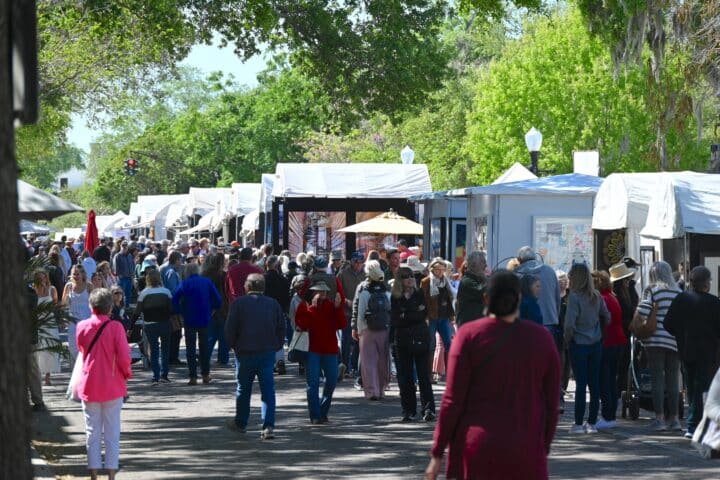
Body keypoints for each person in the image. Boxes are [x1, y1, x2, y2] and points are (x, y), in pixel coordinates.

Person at [425, 270, 560, 480]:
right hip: (526, 445)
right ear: (519, 298)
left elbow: (453, 400)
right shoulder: (542, 338)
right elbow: (552, 403)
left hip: (478, 445)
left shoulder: (468, 336)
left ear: (486, 298)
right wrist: (544, 445)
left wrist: (437, 451)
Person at [76, 288, 132, 480]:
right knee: (112, 431)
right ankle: (110, 473)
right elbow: (125, 357)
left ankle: (93, 472)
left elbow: (82, 350)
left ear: (91, 306)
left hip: (89, 384)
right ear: (109, 308)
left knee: (91, 431)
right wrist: (126, 374)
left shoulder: (81, 326)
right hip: (112, 384)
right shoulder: (116, 327)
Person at [224, 273, 285, 439]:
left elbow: (230, 329)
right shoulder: (273, 304)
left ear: (247, 287)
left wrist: (233, 346)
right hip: (266, 352)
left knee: (243, 389)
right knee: (268, 390)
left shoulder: (238, 304)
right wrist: (276, 345)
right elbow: (281, 327)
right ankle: (268, 426)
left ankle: (241, 422)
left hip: (244, 352)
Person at [665, 265, 720, 437]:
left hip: (686, 349)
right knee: (701, 388)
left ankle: (694, 423)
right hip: (708, 352)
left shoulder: (681, 299)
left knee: (691, 387)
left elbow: (668, 324)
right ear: (706, 283)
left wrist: (681, 335)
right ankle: (694, 425)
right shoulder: (714, 303)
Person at [635, 260, 682, 432]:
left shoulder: (652, 290)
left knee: (657, 378)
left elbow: (644, 312)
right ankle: (675, 419)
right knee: (673, 379)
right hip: (674, 340)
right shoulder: (678, 292)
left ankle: (659, 418)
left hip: (655, 340)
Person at [564, 263, 610, 434]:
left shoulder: (574, 298)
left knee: (581, 384)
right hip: (595, 342)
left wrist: (567, 340)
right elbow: (607, 316)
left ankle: (577, 422)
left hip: (579, 343)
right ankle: (591, 422)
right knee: (594, 384)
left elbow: (569, 324)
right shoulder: (596, 296)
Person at [295, 281, 346, 424]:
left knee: (331, 381)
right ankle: (315, 415)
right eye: (318, 291)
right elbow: (302, 324)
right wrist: (312, 308)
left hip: (330, 350)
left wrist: (337, 308)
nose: (322, 294)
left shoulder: (331, 306)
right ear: (312, 292)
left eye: (324, 291)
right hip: (312, 350)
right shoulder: (305, 306)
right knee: (312, 384)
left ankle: (323, 411)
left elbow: (342, 324)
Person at [391, 266, 435, 422]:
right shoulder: (395, 296)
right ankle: (408, 410)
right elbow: (397, 319)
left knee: (424, 376)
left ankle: (428, 409)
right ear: (400, 280)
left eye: (411, 276)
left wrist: (407, 313)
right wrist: (413, 311)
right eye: (405, 277)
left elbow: (423, 314)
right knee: (405, 377)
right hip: (402, 340)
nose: (410, 279)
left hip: (420, 338)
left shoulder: (419, 293)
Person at [172, 263, 222, 385]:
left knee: (190, 348)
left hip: (189, 317)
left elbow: (175, 299)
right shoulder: (207, 282)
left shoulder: (184, 283)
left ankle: (193, 376)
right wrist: (213, 308)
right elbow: (218, 299)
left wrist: (179, 311)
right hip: (205, 317)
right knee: (204, 346)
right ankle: (205, 374)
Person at [593, 270, 627, 430]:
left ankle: (607, 415)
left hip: (608, 341)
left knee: (604, 380)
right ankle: (610, 414)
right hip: (619, 341)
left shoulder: (602, 299)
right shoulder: (612, 297)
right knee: (611, 379)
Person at [353, 260, 391, 400]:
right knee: (383, 360)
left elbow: (360, 314)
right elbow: (390, 312)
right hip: (384, 330)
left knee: (368, 361)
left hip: (367, 330)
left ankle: (371, 391)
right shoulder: (386, 292)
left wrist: (358, 330)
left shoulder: (364, 291)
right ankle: (381, 389)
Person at [135, 270, 173, 385]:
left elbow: (137, 312)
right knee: (166, 350)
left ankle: (155, 376)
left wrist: (131, 326)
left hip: (150, 325)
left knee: (154, 350)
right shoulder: (166, 292)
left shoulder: (144, 293)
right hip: (165, 323)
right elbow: (171, 309)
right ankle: (164, 375)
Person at [421, 258, 455, 376]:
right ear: (432, 270)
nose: (440, 272)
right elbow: (423, 300)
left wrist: (451, 315)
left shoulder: (445, 281)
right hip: (431, 317)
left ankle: (449, 373)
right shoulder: (426, 282)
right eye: (438, 269)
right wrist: (424, 316)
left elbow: (450, 299)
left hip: (444, 316)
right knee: (431, 345)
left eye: (442, 269)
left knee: (448, 344)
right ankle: (428, 373)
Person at [337, 251, 366, 379]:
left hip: (362, 312)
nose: (359, 265)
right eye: (357, 262)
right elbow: (337, 291)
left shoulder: (365, 274)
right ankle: (345, 366)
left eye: (361, 262)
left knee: (359, 341)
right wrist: (346, 301)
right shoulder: (343, 274)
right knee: (346, 339)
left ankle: (355, 366)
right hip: (347, 312)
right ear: (352, 262)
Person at [263, 255, 291, 375]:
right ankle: (279, 360)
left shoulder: (262, 279)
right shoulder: (283, 280)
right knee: (279, 337)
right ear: (276, 266)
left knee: (266, 337)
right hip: (279, 311)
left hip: (264, 312)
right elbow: (287, 297)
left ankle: (269, 362)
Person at [32, 269, 61, 386]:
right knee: (38, 349)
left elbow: (56, 306)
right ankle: (38, 374)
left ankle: (48, 375)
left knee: (50, 348)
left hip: (50, 322)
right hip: (37, 322)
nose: (41, 279)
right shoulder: (32, 291)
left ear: (46, 278)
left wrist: (60, 320)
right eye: (39, 277)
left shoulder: (52, 289)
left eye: (43, 277)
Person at [203, 253, 230, 366]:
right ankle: (222, 358)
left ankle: (205, 357)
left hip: (208, 307)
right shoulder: (224, 275)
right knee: (223, 335)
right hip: (223, 307)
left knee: (210, 335)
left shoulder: (205, 275)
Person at [62, 264, 93, 363]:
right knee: (73, 346)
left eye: (77, 274)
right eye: (73, 274)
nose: (75, 276)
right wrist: (63, 318)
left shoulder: (89, 286)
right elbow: (63, 304)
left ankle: (85, 366)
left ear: (83, 274)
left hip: (87, 319)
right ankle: (79, 364)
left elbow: (95, 302)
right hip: (72, 320)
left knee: (87, 344)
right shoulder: (68, 286)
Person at [455, 251, 487, 327]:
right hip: (468, 326)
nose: (486, 265)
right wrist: (487, 279)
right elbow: (483, 292)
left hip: (475, 325)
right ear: (474, 264)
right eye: (483, 262)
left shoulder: (477, 279)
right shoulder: (467, 281)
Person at [112, 241, 134, 305]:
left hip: (129, 278)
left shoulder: (130, 255)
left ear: (127, 247)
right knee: (121, 294)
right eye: (123, 245)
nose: (124, 247)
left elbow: (132, 265)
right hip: (122, 279)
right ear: (120, 246)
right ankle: (121, 307)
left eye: (126, 245)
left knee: (129, 293)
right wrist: (119, 275)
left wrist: (132, 276)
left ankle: (127, 306)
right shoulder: (117, 256)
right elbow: (115, 266)